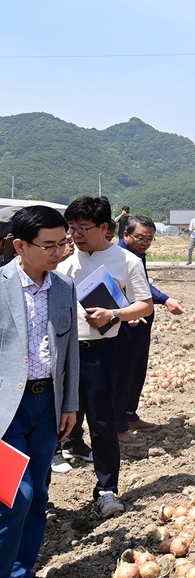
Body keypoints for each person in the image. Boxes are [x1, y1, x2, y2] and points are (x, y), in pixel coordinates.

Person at [56, 196, 153, 519]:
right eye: (72, 228)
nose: (76, 235)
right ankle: (38, 494)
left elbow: (145, 304)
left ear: (105, 228)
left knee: (101, 422)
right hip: (61, 352)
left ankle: (107, 489)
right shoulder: (62, 259)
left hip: (100, 352)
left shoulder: (126, 261)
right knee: (54, 423)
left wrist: (114, 313)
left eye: (83, 228)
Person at [0, 206, 79, 578]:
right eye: (49, 245)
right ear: (19, 245)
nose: (59, 251)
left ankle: (21, 568)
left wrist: (70, 405)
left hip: (47, 405)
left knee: (38, 496)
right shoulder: (0, 287)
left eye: (63, 243)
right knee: (14, 496)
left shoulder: (63, 287)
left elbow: (70, 352)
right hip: (6, 410)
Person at [115, 216, 185, 447]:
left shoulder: (137, 255)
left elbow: (142, 286)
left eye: (150, 239)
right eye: (140, 238)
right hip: (126, 323)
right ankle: (119, 427)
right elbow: (137, 289)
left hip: (141, 322)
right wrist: (165, 299)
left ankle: (130, 416)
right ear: (125, 235)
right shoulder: (120, 257)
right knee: (124, 374)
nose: (145, 243)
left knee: (137, 371)